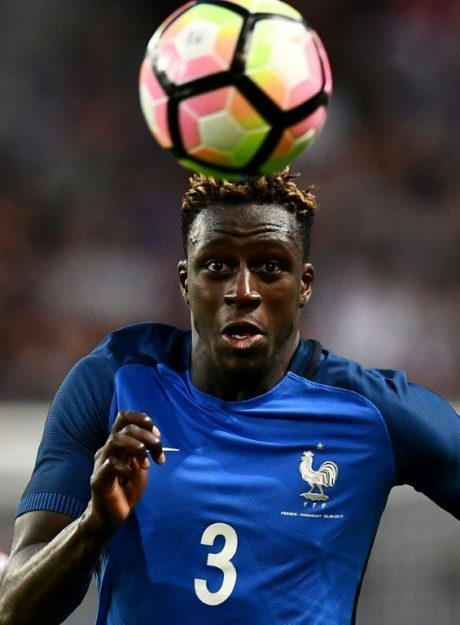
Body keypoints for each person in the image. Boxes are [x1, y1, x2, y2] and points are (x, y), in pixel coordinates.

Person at [0, 169, 458, 625]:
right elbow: (14, 609)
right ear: (185, 281)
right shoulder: (114, 380)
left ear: (305, 284)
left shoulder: (371, 412)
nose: (242, 292)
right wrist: (93, 525)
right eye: (218, 266)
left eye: (270, 268)